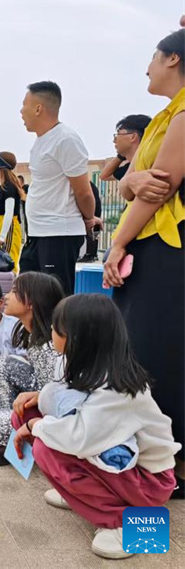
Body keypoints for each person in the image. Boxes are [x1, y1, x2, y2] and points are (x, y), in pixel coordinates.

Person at [11, 295, 179, 559]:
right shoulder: (90, 365)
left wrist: (35, 425)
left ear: (75, 337)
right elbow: (71, 403)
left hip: (148, 483)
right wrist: (38, 401)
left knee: (44, 445)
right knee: (25, 413)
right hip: (119, 466)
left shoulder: (118, 388)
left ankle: (124, 522)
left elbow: (81, 437)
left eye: (56, 328)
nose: (52, 333)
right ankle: (81, 493)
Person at [105, 28, 185, 497]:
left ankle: (165, 467)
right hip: (149, 246)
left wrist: (117, 243)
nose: (148, 66)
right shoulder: (163, 118)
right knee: (139, 349)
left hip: (166, 247)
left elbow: (162, 188)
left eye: (154, 57)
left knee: (159, 355)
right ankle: (151, 459)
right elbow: (131, 184)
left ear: (173, 59)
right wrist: (133, 184)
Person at [0, 272, 65, 465]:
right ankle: (6, 442)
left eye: (15, 292)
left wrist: (35, 401)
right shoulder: (35, 335)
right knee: (2, 363)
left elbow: (57, 398)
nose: (7, 296)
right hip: (43, 400)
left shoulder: (49, 346)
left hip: (55, 418)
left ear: (31, 303)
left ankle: (21, 441)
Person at [19, 81, 96, 295]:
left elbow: (83, 190)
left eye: (24, 104)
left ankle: (61, 330)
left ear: (38, 108)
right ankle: (36, 330)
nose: (20, 111)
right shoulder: (41, 141)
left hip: (58, 233)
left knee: (56, 299)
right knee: (28, 295)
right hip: (37, 233)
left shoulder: (65, 140)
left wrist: (89, 217)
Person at [99, 115, 152, 182]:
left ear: (133, 137)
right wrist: (121, 155)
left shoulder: (149, 164)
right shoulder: (129, 168)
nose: (114, 140)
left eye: (118, 134)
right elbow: (104, 176)